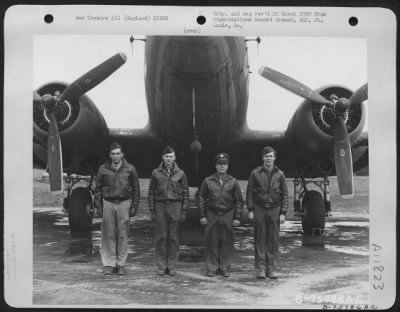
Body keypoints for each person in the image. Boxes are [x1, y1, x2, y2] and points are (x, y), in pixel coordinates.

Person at [94, 142, 140, 276]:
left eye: (118, 154)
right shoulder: (103, 169)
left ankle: (121, 264)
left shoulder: (130, 169)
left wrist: (134, 207)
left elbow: (136, 189)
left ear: (122, 155)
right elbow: (98, 189)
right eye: (113, 154)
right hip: (108, 202)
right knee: (108, 235)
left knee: (123, 234)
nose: (115, 156)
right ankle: (109, 263)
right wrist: (98, 206)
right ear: (109, 155)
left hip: (124, 202)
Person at [246, 146, 288, 279]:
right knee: (260, 239)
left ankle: (271, 269)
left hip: (274, 209)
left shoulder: (280, 174)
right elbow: (249, 193)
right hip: (259, 208)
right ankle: (260, 269)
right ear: (262, 158)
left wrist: (283, 213)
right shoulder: (255, 173)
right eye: (266, 156)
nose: (268, 158)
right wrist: (251, 209)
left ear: (274, 158)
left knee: (273, 240)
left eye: (271, 156)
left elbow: (285, 194)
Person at [199, 153, 243, 277]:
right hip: (212, 213)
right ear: (216, 166)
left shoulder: (233, 182)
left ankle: (224, 267)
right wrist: (202, 215)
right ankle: (212, 268)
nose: (222, 167)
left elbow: (238, 200)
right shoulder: (208, 181)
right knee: (211, 241)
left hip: (227, 213)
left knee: (226, 242)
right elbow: (202, 197)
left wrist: (237, 217)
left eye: (224, 164)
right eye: (220, 164)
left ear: (227, 166)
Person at [148, 146, 189, 276]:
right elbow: (151, 193)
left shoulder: (181, 174)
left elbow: (186, 193)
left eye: (171, 156)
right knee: (161, 237)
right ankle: (161, 266)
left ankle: (171, 265)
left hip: (175, 205)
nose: (168, 159)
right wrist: (152, 210)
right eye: (166, 156)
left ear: (174, 158)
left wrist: (183, 210)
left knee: (173, 237)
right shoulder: (156, 173)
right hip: (161, 205)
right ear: (162, 158)